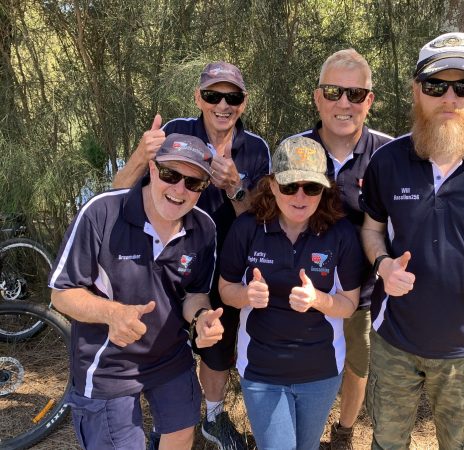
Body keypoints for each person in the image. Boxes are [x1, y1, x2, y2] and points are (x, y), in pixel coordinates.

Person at [359, 32, 464, 450]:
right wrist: (382, 265)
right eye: (436, 85)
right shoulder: (388, 160)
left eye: (463, 85)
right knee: (387, 443)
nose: (449, 97)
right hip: (392, 339)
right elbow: (371, 229)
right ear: (417, 91)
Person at [113, 61, 270, 449]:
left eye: (232, 97)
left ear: (243, 103)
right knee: (158, 342)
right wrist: (139, 155)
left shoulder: (257, 149)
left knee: (216, 347)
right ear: (199, 97)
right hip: (167, 263)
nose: (222, 105)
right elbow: (116, 195)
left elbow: (263, 223)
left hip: (227, 269)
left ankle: (212, 420)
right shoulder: (173, 134)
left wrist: (235, 188)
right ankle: (163, 424)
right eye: (213, 95)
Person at [48, 134, 225, 450]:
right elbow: (62, 293)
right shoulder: (103, 213)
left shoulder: (204, 228)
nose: (179, 189)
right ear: (153, 169)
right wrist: (113, 312)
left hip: (170, 356)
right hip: (108, 364)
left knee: (182, 431)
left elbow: (194, 294)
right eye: (171, 174)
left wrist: (201, 318)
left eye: (193, 182)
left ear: (203, 188)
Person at [218, 136, 365, 450]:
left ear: (323, 189)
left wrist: (319, 300)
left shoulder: (340, 234)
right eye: (289, 186)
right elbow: (225, 289)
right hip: (261, 371)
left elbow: (350, 304)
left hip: (321, 372)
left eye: (310, 188)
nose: (300, 197)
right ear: (272, 186)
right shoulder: (247, 228)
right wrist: (246, 295)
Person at [293, 49, 392, 449]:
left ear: (369, 100)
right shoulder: (295, 149)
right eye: (333, 91)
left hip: (362, 293)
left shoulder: (389, 155)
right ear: (318, 97)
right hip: (301, 287)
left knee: (357, 364)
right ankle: (300, 434)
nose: (344, 103)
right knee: (302, 363)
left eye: (355, 93)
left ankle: (344, 433)